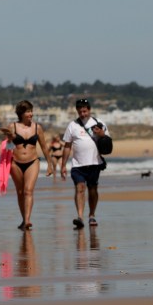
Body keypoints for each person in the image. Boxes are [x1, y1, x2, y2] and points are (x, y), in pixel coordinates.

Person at [0, 100, 53, 230]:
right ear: (21, 113)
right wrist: (10, 139)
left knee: (28, 190)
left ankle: (28, 220)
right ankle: (24, 220)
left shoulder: (37, 128)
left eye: (31, 111)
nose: (31, 114)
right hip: (15, 163)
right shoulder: (12, 127)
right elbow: (7, 148)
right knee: (20, 192)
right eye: (28, 111)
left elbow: (44, 147)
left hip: (33, 162)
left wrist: (49, 164)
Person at [60, 98, 110, 229]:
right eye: (80, 111)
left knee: (93, 189)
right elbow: (67, 146)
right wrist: (63, 165)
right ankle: (80, 217)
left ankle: (92, 215)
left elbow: (108, 144)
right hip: (78, 165)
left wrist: (102, 134)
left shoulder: (99, 124)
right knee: (80, 188)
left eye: (84, 111)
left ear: (89, 109)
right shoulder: (72, 125)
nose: (82, 114)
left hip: (95, 163)